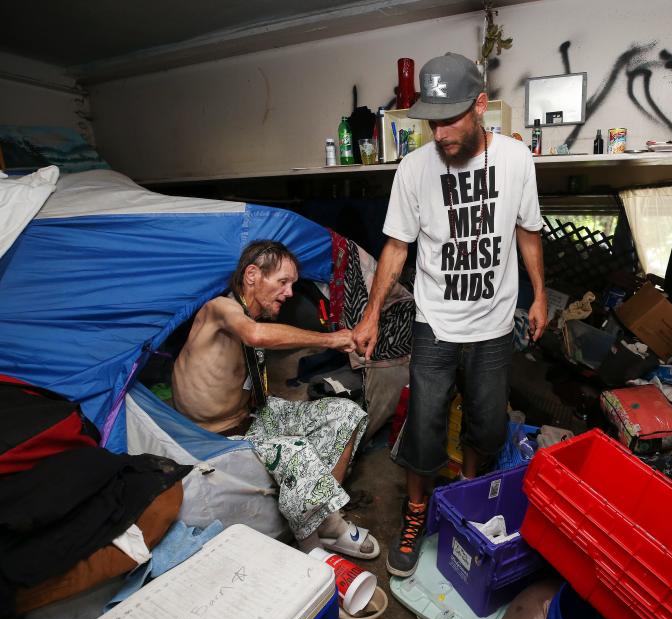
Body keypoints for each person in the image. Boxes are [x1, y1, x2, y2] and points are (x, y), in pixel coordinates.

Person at [353, 52, 547, 577]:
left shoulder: (514, 159)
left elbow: (527, 230)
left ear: (481, 106)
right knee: (424, 424)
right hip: (435, 321)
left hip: (494, 324)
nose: (439, 134)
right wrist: (370, 315)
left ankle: (464, 498)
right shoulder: (414, 170)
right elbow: (396, 247)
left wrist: (541, 295)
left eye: (451, 119)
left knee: (485, 426)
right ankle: (416, 512)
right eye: (432, 121)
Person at [171, 240, 379, 558]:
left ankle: (322, 518)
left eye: (293, 284)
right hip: (211, 437)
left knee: (346, 413)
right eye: (283, 282)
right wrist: (330, 340)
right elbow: (254, 335)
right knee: (296, 451)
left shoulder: (256, 320)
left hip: (252, 417)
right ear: (252, 275)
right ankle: (311, 548)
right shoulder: (220, 309)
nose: (290, 292)